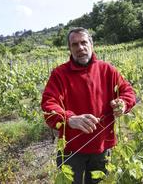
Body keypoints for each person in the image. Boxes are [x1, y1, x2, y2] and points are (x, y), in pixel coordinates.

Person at [41, 27, 136, 184]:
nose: (80, 48)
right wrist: (69, 119)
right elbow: (48, 103)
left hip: (103, 146)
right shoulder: (59, 74)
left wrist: (123, 103)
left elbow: (127, 91)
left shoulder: (108, 70)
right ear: (70, 49)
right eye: (75, 44)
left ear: (92, 44)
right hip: (71, 149)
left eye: (84, 42)